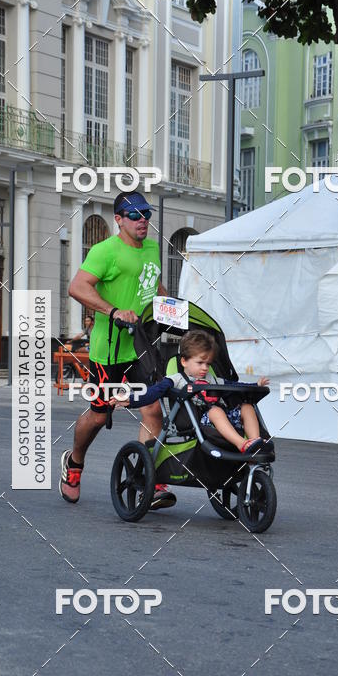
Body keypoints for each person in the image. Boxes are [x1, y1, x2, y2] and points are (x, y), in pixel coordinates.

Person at [59, 190, 177, 509]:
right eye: (135, 215)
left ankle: (147, 481)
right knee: (99, 416)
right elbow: (77, 287)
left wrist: (173, 310)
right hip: (108, 351)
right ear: (119, 219)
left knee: (153, 410)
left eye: (146, 214)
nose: (143, 221)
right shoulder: (104, 251)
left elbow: (153, 285)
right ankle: (74, 464)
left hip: (140, 348)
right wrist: (113, 311)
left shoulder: (152, 248)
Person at [113, 329, 273, 453]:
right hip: (197, 421)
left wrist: (255, 385)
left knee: (247, 407)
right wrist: (131, 399)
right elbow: (153, 392)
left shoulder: (212, 379)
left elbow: (234, 386)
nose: (205, 368)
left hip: (224, 420)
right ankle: (242, 444)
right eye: (200, 363)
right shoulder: (176, 379)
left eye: (208, 364)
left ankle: (255, 442)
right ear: (184, 361)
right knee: (215, 410)